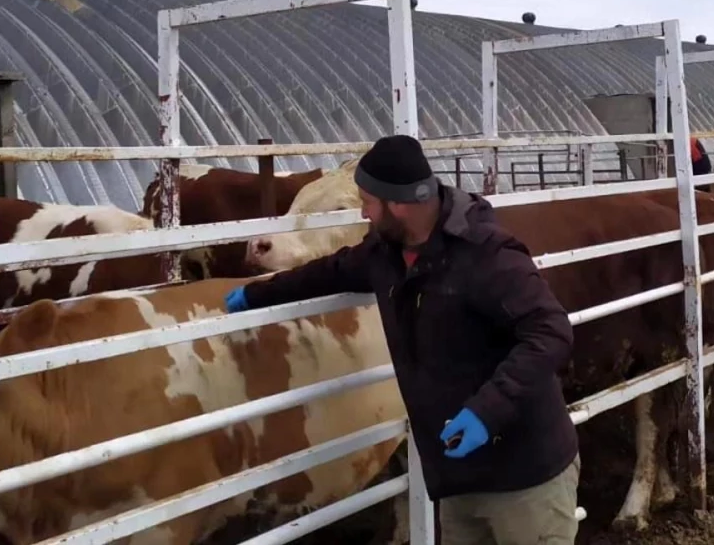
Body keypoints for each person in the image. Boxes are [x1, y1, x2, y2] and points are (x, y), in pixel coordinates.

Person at [224, 134, 581, 545]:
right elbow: (332, 271)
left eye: (367, 202)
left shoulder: (487, 256)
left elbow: (550, 331)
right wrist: (257, 292)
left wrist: (488, 410)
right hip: (458, 477)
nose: (364, 212)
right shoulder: (386, 253)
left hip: (525, 475)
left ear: (398, 204)